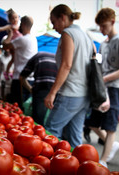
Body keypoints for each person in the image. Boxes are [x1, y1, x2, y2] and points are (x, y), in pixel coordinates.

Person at [43, 4, 94, 148]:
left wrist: (52, 93)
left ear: (63, 18)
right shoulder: (86, 36)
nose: (54, 27)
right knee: (75, 137)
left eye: (54, 22)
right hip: (84, 95)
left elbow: (66, 64)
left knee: (50, 132)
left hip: (70, 93)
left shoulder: (68, 34)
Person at [88, 8, 119, 168]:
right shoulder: (103, 43)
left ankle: (103, 161)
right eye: (99, 26)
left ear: (112, 22)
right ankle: (112, 144)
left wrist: (104, 78)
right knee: (92, 123)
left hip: (113, 88)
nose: (101, 29)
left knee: (110, 127)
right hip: (101, 88)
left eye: (104, 25)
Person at [3, 16, 38, 109]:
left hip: (20, 78)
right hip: (30, 78)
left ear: (22, 25)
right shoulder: (33, 39)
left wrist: (10, 34)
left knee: (17, 108)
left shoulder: (23, 39)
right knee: (25, 107)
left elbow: (5, 46)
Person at [20, 52, 57, 125]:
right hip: (58, 88)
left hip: (41, 87)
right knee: (54, 121)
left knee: (38, 121)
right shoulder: (57, 57)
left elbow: (22, 77)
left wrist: (31, 90)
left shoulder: (37, 56)